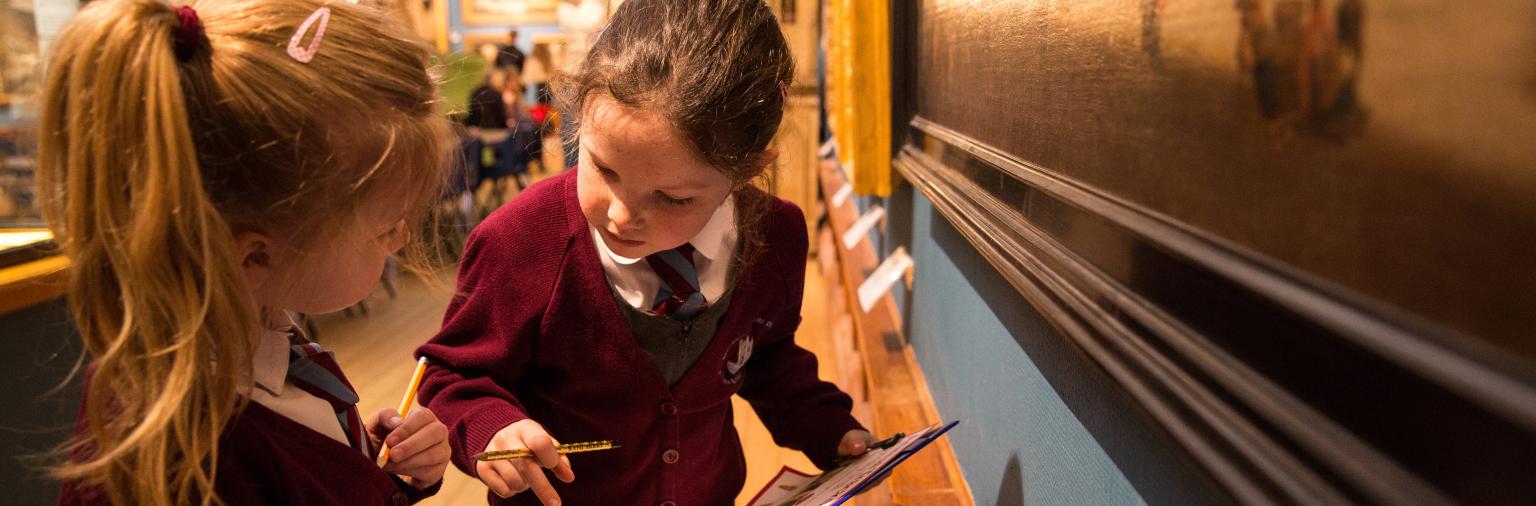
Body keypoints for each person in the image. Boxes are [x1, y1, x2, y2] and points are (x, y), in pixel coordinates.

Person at [415, 1, 875, 504]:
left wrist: (830, 429)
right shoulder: (521, 239)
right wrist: (493, 428)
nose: (620, 215)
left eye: (674, 199)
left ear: (748, 169)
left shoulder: (777, 236)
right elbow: (453, 373)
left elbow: (765, 358)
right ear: (580, 117)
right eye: (605, 170)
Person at [39, 0, 454, 503]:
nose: (403, 239)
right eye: (386, 228)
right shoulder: (183, 467)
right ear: (254, 257)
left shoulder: (264, 345)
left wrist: (370, 463)